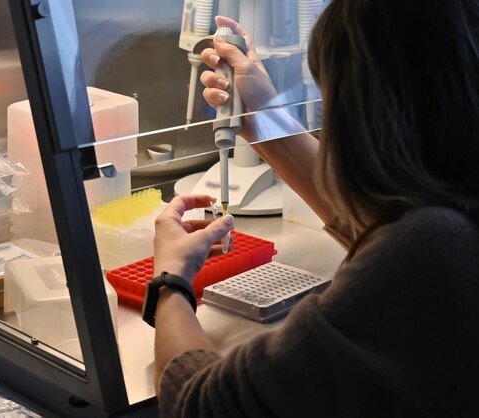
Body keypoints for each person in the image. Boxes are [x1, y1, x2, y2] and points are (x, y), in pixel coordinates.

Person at [149, 1, 479, 417]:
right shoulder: (452, 218)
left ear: (367, 109)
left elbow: (200, 405)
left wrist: (170, 282)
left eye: (331, 94)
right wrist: (264, 118)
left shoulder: (433, 248)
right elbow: (388, 223)